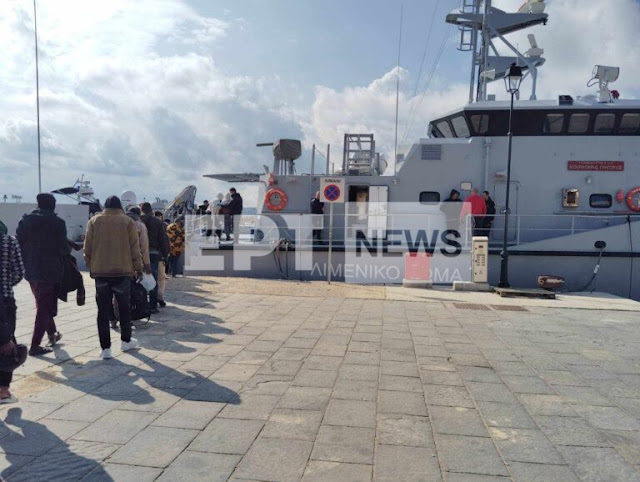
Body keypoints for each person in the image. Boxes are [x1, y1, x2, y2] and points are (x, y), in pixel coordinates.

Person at [84, 195, 142, 359]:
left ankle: (105, 349)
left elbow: (87, 248)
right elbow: (134, 248)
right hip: (122, 271)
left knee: (102, 311)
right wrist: (138, 268)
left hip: (101, 272)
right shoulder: (127, 222)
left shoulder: (94, 221)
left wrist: (91, 266)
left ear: (105, 206)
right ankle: (126, 341)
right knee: (124, 308)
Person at [16, 193, 67, 356]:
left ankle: (52, 333)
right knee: (44, 306)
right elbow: (63, 249)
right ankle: (35, 345)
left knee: (42, 303)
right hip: (50, 270)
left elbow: (19, 243)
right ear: (52, 205)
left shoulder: (25, 221)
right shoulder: (58, 223)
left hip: (30, 269)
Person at [0, 220, 25, 402]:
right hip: (5, 297)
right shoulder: (9, 241)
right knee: (7, 341)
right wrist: (7, 284)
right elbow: (18, 272)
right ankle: (3, 389)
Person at [140, 202, 169, 314]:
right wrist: (165, 255)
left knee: (141, 279)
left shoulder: (138, 221)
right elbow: (163, 240)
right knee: (153, 279)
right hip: (154, 253)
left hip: (140, 253)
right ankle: (153, 305)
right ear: (151, 210)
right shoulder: (157, 222)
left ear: (142, 209)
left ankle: (142, 304)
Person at [154, 211, 168, 307]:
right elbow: (164, 242)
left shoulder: (143, 223)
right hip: (159, 256)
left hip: (145, 255)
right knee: (161, 277)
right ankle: (159, 297)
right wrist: (165, 255)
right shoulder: (162, 226)